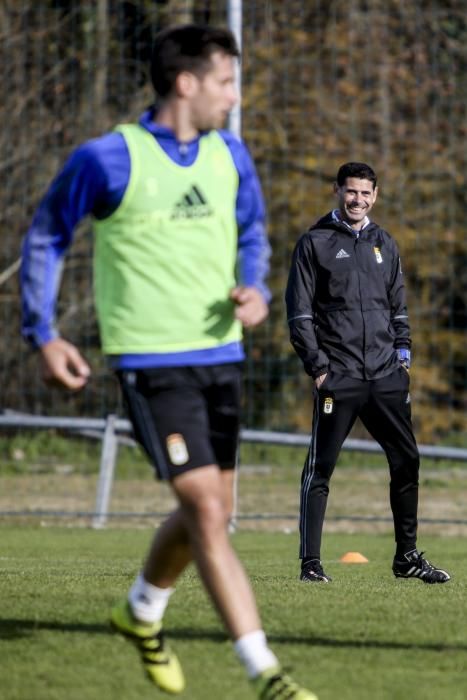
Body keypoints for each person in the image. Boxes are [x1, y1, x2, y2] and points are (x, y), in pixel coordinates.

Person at [21, 24, 318, 700]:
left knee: (210, 512)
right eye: (225, 82)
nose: (233, 97)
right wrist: (44, 333)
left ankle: (141, 611)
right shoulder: (107, 159)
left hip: (221, 356)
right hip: (153, 362)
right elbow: (46, 235)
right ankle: (262, 670)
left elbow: (251, 234)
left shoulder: (230, 157)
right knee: (205, 512)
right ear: (186, 84)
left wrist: (255, 288)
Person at [285, 161, 451, 586]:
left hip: (386, 376)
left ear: (375, 196)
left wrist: (403, 357)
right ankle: (310, 564)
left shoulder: (385, 243)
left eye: (365, 193)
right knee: (320, 468)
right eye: (350, 191)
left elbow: (398, 306)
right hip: (338, 377)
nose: (358, 200)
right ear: (337, 191)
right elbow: (300, 313)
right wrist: (319, 368)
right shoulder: (314, 243)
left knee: (407, 460)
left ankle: (407, 557)